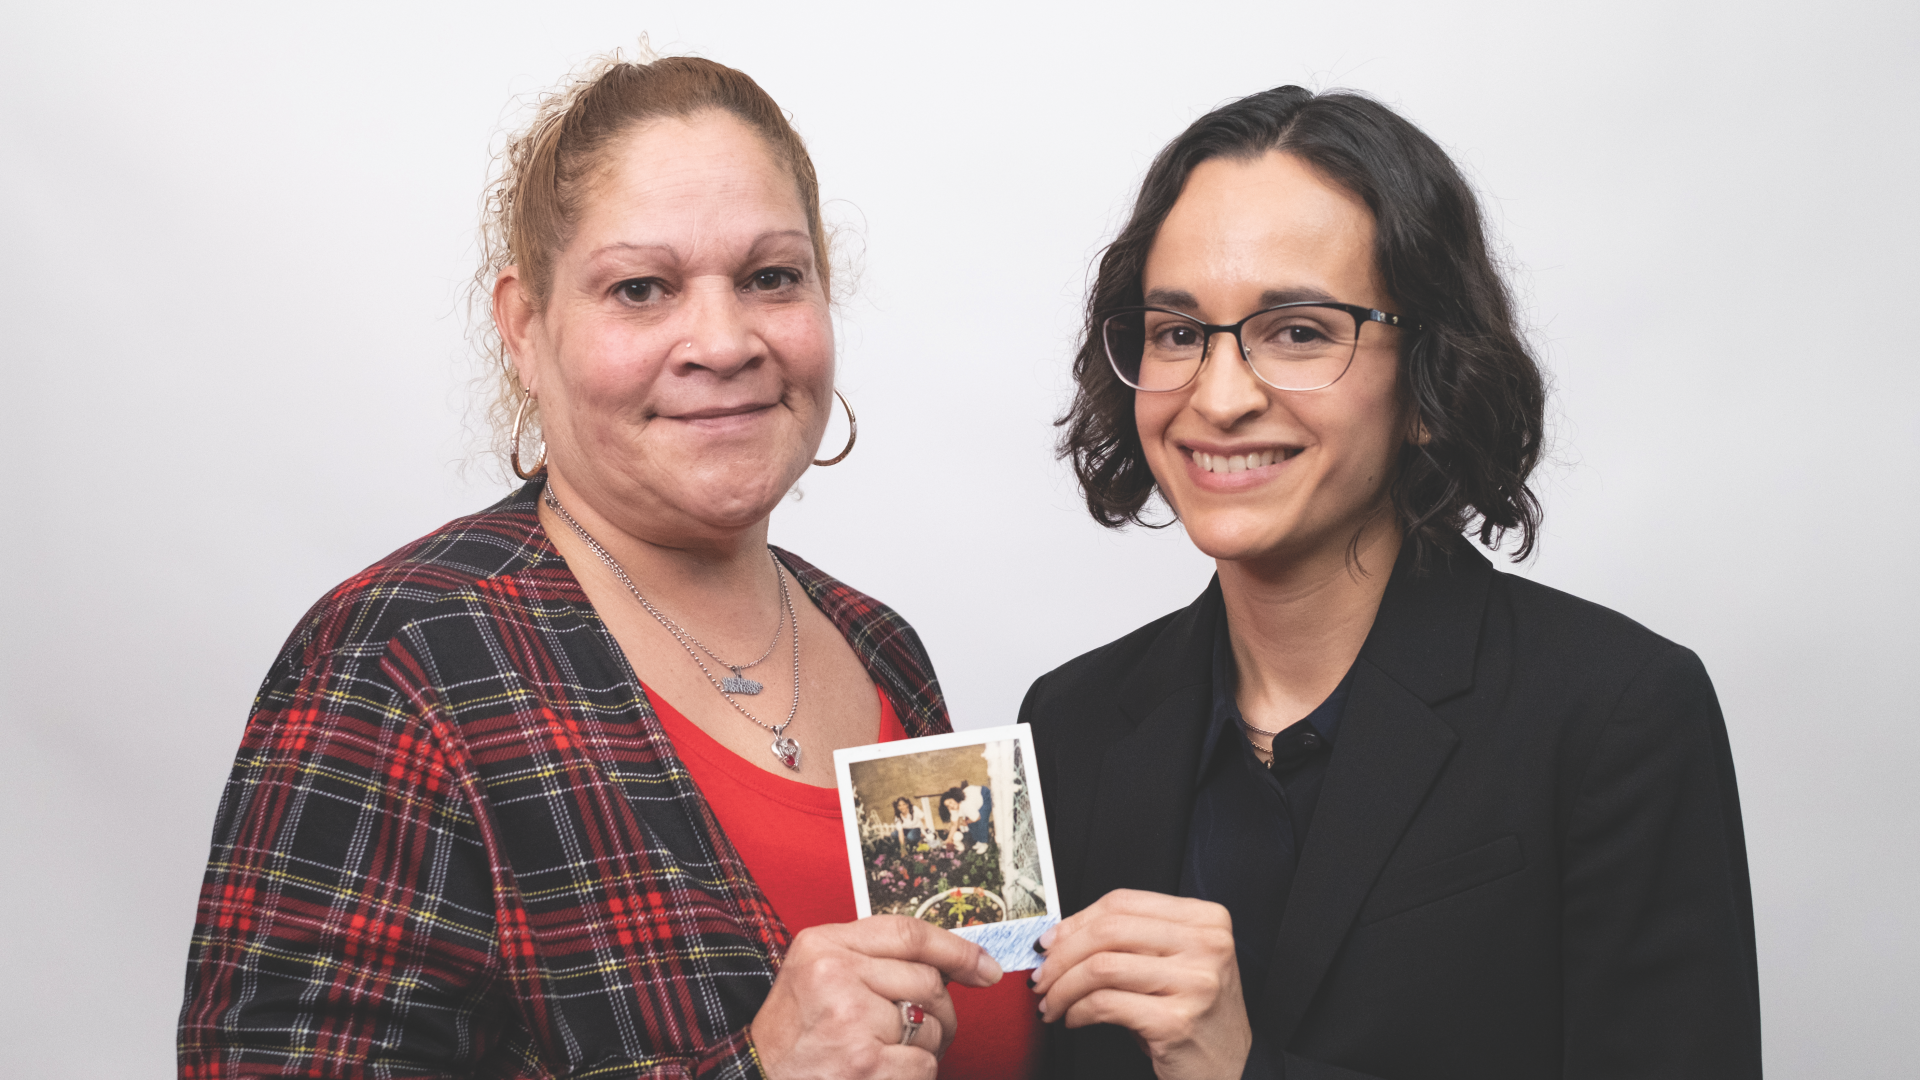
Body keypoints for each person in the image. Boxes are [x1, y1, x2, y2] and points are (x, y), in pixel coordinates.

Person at [177, 52, 1043, 1079]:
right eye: (642, 288)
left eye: (771, 277)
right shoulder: (401, 664)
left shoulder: (881, 646)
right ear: (525, 329)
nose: (723, 341)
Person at [1021, 86, 1760, 1079]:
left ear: (1428, 383)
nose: (1221, 396)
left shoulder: (1614, 715)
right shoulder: (1069, 724)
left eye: (1299, 332)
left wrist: (1246, 1069)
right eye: (1178, 333)